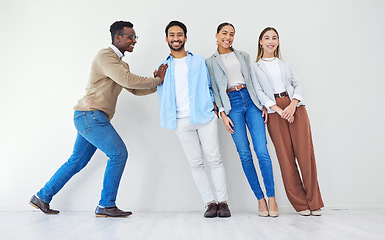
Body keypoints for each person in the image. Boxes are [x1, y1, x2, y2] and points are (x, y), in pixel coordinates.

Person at [29, 21, 168, 218]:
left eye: (135, 37)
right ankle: (106, 204)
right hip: (90, 115)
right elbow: (128, 80)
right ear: (117, 37)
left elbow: (134, 89)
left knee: (76, 162)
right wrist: (157, 80)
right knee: (118, 154)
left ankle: (42, 196)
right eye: (130, 37)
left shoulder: (121, 64)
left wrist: (156, 85)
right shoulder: (106, 56)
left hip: (90, 116)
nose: (134, 41)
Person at [157, 20, 231, 218]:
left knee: (215, 159)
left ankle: (223, 203)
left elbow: (210, 85)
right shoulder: (162, 66)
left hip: (205, 116)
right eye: (172, 35)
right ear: (167, 39)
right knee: (196, 163)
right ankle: (210, 203)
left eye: (179, 34)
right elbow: (159, 92)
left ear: (185, 38)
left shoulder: (199, 61)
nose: (176, 38)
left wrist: (215, 108)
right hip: (180, 121)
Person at [206, 23, 278, 217]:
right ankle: (260, 199)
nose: (228, 37)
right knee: (245, 154)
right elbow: (212, 89)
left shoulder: (243, 56)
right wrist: (222, 113)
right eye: (224, 33)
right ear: (217, 35)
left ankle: (272, 197)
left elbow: (254, 81)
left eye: (231, 34)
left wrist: (262, 103)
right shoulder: (210, 62)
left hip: (251, 100)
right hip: (231, 105)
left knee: (262, 151)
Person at [250, 27, 324, 216]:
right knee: (285, 158)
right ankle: (301, 205)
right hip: (275, 112)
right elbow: (258, 92)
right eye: (267, 38)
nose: (270, 41)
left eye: (274, 38)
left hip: (295, 107)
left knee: (306, 155)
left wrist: (292, 106)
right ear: (260, 42)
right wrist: (277, 109)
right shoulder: (255, 67)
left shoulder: (286, 64)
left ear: (278, 42)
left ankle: (314, 202)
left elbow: (298, 84)